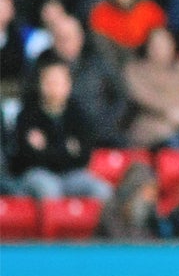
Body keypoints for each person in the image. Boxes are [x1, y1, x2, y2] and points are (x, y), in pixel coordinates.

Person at [11, 56, 112, 202]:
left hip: (72, 175)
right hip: (39, 174)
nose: (54, 86)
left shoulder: (78, 114)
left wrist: (47, 149)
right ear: (40, 83)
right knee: (49, 190)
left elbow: (84, 156)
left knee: (102, 190)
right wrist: (66, 149)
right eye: (49, 81)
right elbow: (27, 157)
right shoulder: (27, 115)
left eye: (58, 81)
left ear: (68, 84)